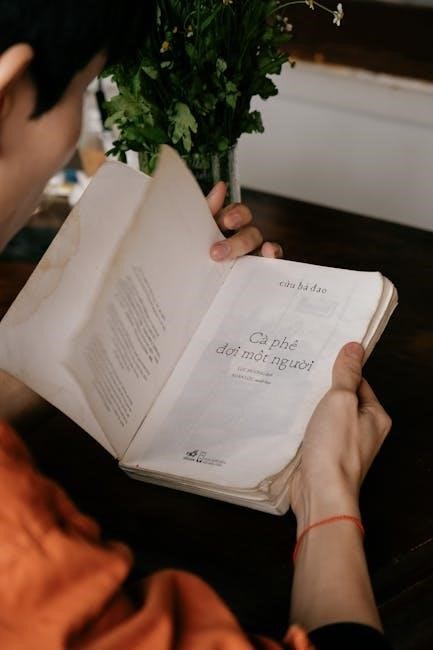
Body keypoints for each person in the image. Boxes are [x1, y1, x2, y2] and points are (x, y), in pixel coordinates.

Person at [0, 2, 393, 648]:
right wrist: (327, 497)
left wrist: (94, 341)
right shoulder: (22, 545)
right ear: (7, 93)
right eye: (85, 86)